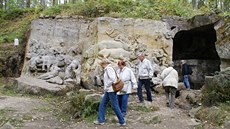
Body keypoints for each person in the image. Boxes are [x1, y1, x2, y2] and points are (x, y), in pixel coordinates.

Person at [94, 59, 126, 126]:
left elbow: (113, 79)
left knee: (115, 106)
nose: (101, 66)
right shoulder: (108, 69)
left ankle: (122, 121)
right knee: (102, 104)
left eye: (101, 65)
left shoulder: (109, 69)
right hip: (108, 90)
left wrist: (107, 86)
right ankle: (101, 120)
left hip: (111, 90)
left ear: (104, 63)